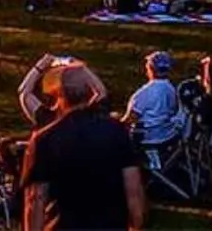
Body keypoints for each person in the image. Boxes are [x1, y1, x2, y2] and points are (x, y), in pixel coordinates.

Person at [20, 62, 146, 231]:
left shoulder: (45, 139)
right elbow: (133, 188)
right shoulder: (116, 131)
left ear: (59, 95)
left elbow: (36, 198)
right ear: (90, 93)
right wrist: (136, 223)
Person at [122, 51, 181, 145]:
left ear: (150, 68)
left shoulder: (145, 93)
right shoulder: (172, 89)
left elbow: (130, 119)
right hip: (167, 136)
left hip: (146, 139)